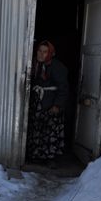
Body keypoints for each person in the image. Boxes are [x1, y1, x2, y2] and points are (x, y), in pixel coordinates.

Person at [26, 40, 69, 168]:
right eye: (39, 51)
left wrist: (57, 105)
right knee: (36, 128)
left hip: (50, 102)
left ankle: (50, 158)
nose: (41, 54)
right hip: (38, 101)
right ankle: (35, 156)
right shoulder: (34, 64)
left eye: (45, 52)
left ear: (50, 53)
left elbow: (63, 88)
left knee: (50, 131)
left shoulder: (57, 67)